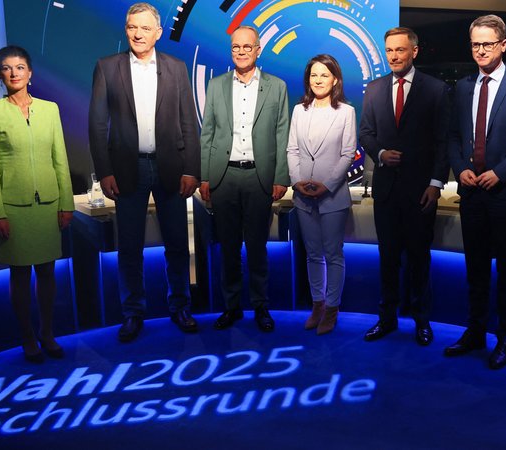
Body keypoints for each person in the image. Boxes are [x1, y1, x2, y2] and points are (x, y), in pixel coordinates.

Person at [89, 2, 200, 342]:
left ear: (158, 33)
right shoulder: (107, 68)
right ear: (126, 30)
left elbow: (187, 121)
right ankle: (133, 313)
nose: (137, 33)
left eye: (144, 28)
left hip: (170, 166)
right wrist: (104, 171)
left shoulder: (177, 68)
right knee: (130, 247)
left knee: (178, 245)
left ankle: (180, 306)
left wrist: (192, 169)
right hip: (126, 168)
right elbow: (96, 124)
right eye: (131, 27)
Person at [445, 14, 506, 369]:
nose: (480, 50)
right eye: (475, 44)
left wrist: (501, 172)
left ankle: (504, 339)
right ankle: (475, 332)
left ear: (503, 45)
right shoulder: (465, 86)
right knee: (476, 269)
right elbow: (454, 137)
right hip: (472, 195)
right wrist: (461, 168)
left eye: (487, 44)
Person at [0, 45, 75, 362]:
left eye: (20, 67)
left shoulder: (50, 110)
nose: (14, 73)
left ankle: (47, 333)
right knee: (20, 274)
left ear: (30, 73)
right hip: (14, 208)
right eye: (7, 68)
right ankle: (27, 337)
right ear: (0, 75)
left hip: (48, 204)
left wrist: (66, 203)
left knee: (47, 271)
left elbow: (60, 159)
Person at [359, 27, 450, 346]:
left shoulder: (436, 90)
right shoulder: (373, 89)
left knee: (419, 259)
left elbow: (443, 142)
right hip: (386, 190)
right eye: (389, 50)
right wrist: (381, 154)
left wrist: (436, 184)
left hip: (420, 192)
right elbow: (366, 134)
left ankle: (421, 321)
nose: (394, 56)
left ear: (414, 51)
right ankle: (387, 318)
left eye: (400, 50)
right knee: (388, 259)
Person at [199, 25, 290, 332]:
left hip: (259, 177)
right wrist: (205, 177)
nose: (240, 52)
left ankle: (261, 307)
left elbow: (282, 133)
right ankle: (231, 307)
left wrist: (281, 176)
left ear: (258, 49)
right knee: (227, 248)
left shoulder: (276, 87)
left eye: (246, 47)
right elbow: (207, 134)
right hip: (223, 177)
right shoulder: (216, 85)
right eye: (235, 47)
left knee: (257, 248)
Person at [287, 54, 356, 335]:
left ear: (335, 79)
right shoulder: (298, 110)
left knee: (333, 254)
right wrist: (297, 181)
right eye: (314, 75)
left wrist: (327, 184)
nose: (318, 80)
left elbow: (347, 153)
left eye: (324, 75)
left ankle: (332, 308)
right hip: (303, 195)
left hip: (332, 196)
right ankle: (317, 305)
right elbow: (292, 150)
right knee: (313, 254)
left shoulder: (346, 112)